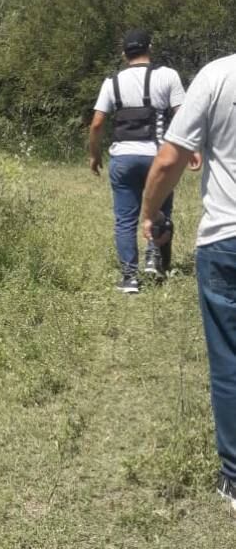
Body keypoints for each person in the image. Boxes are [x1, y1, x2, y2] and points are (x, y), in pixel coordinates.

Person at [141, 52, 236, 511]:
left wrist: (149, 211)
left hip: (228, 239)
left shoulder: (218, 75)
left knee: (229, 361)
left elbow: (169, 159)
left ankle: (235, 479)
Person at [89, 29, 187, 293]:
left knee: (125, 219)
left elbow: (97, 123)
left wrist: (95, 154)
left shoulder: (112, 82)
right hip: (159, 157)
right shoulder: (167, 76)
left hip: (123, 158)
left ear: (124, 54)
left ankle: (129, 278)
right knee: (160, 211)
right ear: (150, 47)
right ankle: (155, 260)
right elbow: (183, 115)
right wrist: (191, 149)